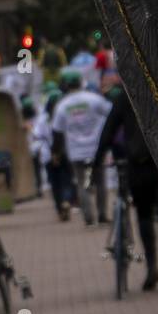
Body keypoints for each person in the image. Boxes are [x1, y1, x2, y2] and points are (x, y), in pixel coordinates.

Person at [93, 85, 158, 290]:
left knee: (144, 215)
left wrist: (97, 162)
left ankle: (152, 269)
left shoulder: (125, 95)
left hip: (137, 165)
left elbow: (108, 129)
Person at [51, 69, 112, 226]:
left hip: (76, 152)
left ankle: (88, 218)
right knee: (100, 183)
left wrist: (55, 152)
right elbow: (111, 113)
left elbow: (57, 132)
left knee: (82, 184)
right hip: (96, 149)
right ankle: (102, 215)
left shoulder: (62, 106)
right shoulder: (94, 99)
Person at [38, 90, 73, 220]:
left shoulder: (42, 119)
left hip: (48, 155)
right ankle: (66, 201)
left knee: (55, 184)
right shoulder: (64, 113)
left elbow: (38, 135)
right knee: (66, 180)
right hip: (64, 152)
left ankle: (60, 208)